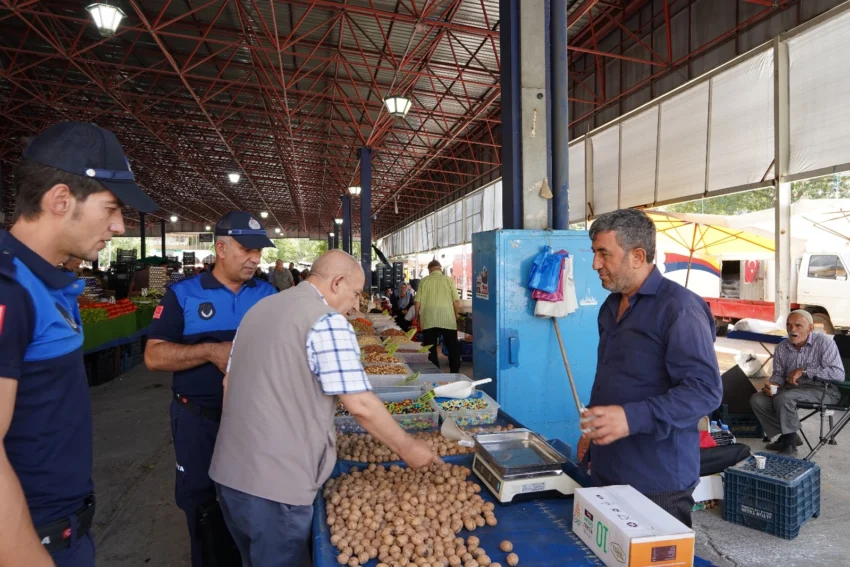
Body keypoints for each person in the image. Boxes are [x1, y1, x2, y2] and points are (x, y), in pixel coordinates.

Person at [210, 250, 441, 566]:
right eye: (356, 294)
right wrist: (408, 447)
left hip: (229, 475)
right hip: (277, 487)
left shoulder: (260, 309)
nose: (356, 305)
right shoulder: (326, 321)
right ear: (337, 283)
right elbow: (359, 403)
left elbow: (228, 386)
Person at [0, 121, 158, 567]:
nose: (119, 225)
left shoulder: (42, 283)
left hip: (64, 532)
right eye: (110, 208)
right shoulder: (8, 290)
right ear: (60, 200)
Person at [144, 211, 277, 567]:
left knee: (255, 501)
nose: (255, 258)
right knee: (202, 503)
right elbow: (154, 356)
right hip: (197, 421)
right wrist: (208, 350)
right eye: (247, 250)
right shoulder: (182, 295)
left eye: (259, 252)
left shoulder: (269, 295)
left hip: (254, 422)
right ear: (220, 247)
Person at [579, 209, 721, 528]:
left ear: (637, 256)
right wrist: (593, 430)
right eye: (594, 253)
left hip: (655, 480)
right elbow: (615, 377)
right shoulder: (611, 306)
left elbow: (704, 391)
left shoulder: (680, 309)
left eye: (604, 254)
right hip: (608, 465)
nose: (595, 264)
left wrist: (631, 417)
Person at [750, 310, 845, 456]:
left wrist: (805, 371)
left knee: (785, 398)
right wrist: (774, 384)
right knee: (758, 400)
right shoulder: (782, 347)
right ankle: (790, 436)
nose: (792, 329)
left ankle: (789, 446)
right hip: (792, 388)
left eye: (798, 325)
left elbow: (838, 374)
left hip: (824, 390)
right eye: (789, 325)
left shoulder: (824, 343)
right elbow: (778, 375)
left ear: (811, 328)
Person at [415, 260, 461, 373]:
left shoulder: (424, 281)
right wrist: (456, 314)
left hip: (429, 318)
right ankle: (454, 372)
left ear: (429, 269)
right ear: (440, 268)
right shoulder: (449, 280)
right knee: (452, 347)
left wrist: (417, 316)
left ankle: (434, 372)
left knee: (430, 348)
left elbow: (417, 302)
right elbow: (456, 301)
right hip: (447, 318)